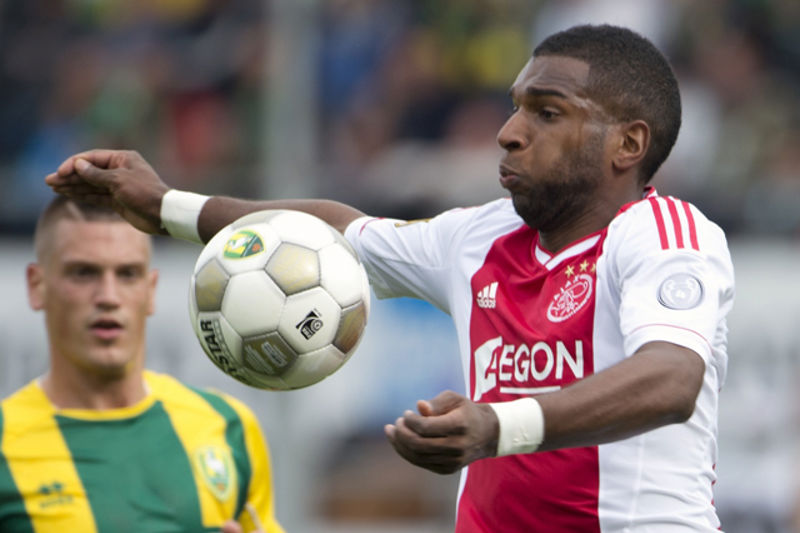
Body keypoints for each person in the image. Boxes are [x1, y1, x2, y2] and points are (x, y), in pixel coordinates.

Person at [46, 24, 735, 533]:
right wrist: (167, 207)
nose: (509, 132)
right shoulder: (481, 238)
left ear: (628, 143)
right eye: (516, 106)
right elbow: (337, 231)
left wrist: (497, 425)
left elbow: (671, 378)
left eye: (546, 113)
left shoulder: (664, 235)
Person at [0, 196, 284, 533]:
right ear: (37, 286)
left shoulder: (228, 426)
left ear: (150, 291)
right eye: (83, 273)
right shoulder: (6, 439)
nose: (108, 296)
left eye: (127, 274)